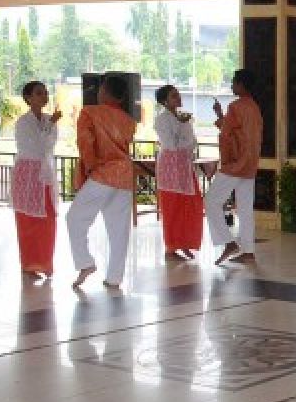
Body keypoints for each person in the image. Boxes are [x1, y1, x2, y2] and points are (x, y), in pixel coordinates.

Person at [67, 74, 138, 289]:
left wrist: (89, 169)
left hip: (103, 173)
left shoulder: (89, 113)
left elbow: (86, 144)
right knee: (118, 230)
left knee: (75, 218)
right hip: (124, 175)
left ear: (104, 91)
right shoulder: (129, 121)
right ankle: (114, 278)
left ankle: (85, 262)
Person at [205, 69, 263, 266]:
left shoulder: (236, 107)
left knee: (211, 201)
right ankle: (248, 251)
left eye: (233, 82)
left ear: (241, 85)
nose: (232, 86)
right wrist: (220, 115)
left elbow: (227, 134)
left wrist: (225, 162)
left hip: (236, 164)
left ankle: (228, 242)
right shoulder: (254, 107)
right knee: (245, 208)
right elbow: (238, 131)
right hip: (250, 163)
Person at [12, 81, 62, 279]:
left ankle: (45, 262)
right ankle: (29, 264)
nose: (44, 96)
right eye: (39, 93)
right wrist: (50, 124)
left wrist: (50, 124)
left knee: (48, 218)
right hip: (27, 174)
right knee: (27, 220)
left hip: (44, 174)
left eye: (45, 92)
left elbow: (48, 146)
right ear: (28, 98)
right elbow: (37, 146)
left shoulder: (49, 120)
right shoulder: (23, 122)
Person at [154, 85, 203, 261]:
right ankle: (171, 246)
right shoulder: (162, 119)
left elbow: (193, 142)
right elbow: (170, 144)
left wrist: (184, 128)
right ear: (165, 101)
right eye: (174, 96)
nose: (178, 98)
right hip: (170, 169)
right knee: (172, 207)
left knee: (189, 205)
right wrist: (184, 131)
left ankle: (184, 243)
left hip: (184, 168)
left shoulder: (182, 118)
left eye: (178, 95)